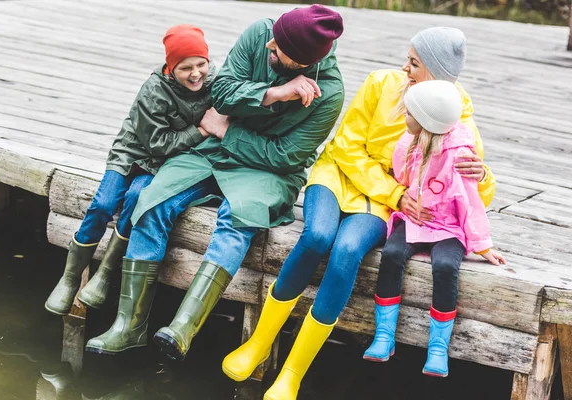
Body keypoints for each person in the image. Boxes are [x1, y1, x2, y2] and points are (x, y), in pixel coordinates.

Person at [222, 27, 495, 400]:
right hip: (337, 176)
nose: (404, 67)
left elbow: (470, 189)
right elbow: (347, 146)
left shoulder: (456, 111)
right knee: (317, 235)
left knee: (347, 251)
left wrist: (483, 176)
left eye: (414, 63)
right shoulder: (380, 82)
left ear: (435, 70)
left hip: (383, 203)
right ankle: (258, 343)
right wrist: (397, 191)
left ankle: (293, 372)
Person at [84, 4, 345, 360]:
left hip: (268, 173)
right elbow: (221, 92)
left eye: (278, 48)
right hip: (213, 150)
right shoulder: (259, 34)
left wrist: (227, 130)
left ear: (300, 62)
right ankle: (129, 326)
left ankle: (183, 328)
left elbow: (285, 157)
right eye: (273, 38)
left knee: (238, 218)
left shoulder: (329, 94)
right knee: (153, 199)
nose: (269, 45)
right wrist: (273, 93)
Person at [44, 25, 215, 315]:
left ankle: (106, 273)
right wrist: (201, 130)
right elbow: (158, 142)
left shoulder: (213, 83)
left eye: (201, 64)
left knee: (137, 200)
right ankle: (70, 277)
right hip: (134, 152)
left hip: (163, 163)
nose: (196, 73)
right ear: (170, 68)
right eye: (186, 67)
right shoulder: (154, 90)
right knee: (103, 204)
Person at [363, 80, 505, 377]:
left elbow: (470, 202)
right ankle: (384, 336)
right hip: (417, 217)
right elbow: (402, 176)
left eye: (410, 114)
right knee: (391, 254)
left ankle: (438, 348)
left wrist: (483, 244)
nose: (405, 117)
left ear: (426, 120)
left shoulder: (459, 153)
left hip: (450, 224)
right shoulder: (407, 142)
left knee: (444, 265)